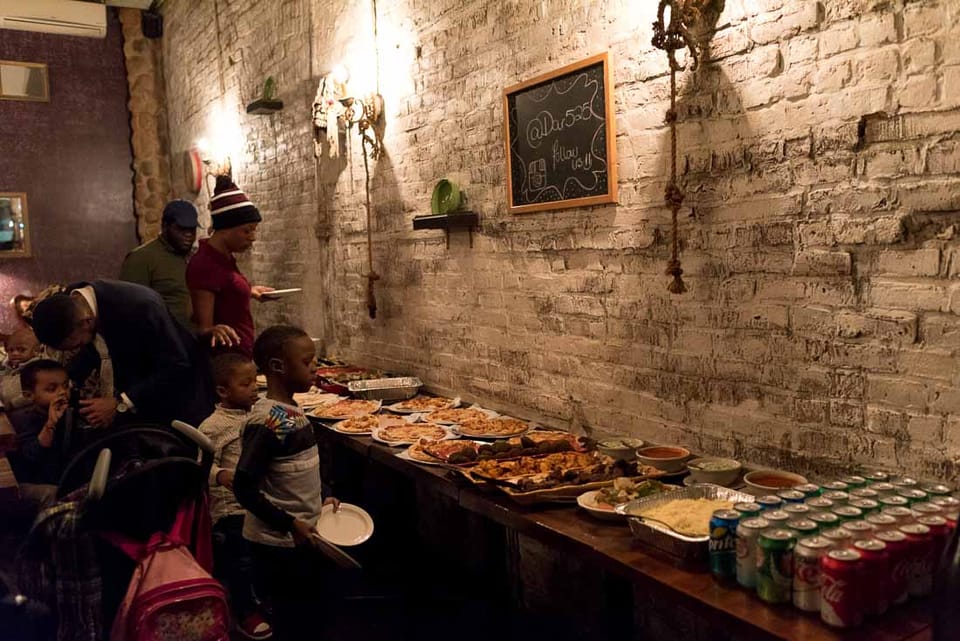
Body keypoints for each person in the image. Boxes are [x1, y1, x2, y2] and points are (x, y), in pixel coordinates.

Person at [234, 325, 338, 641]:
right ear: (278, 367)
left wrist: (324, 494)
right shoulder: (270, 421)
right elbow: (244, 486)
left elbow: (298, 469)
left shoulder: (290, 411)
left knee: (309, 613)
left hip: (301, 536)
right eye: (307, 362)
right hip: (276, 544)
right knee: (293, 620)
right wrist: (290, 523)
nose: (315, 367)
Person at [29, 280, 213, 428]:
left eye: (75, 344)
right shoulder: (73, 300)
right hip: (142, 399)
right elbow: (92, 348)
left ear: (86, 322)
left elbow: (177, 365)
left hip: (182, 399)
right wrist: (64, 383)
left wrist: (119, 403)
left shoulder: (141, 306)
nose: (76, 350)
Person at [198, 353, 272, 640]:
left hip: (258, 503)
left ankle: (261, 599)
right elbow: (199, 464)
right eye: (246, 383)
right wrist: (219, 474)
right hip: (231, 509)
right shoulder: (213, 426)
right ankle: (243, 612)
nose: (255, 387)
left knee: (260, 558)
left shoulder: (259, 415)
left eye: (255, 380)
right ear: (222, 391)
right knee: (240, 562)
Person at [186, 176, 274, 358]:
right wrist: (213, 330)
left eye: (254, 230)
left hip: (240, 354)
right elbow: (203, 328)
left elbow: (224, 290)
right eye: (247, 230)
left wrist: (249, 290)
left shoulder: (225, 258)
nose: (253, 237)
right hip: (226, 361)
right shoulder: (205, 264)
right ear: (225, 228)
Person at [119, 200, 200, 329]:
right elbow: (129, 309)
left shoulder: (196, 257)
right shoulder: (142, 258)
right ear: (165, 226)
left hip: (195, 341)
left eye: (192, 229)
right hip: (163, 342)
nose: (188, 235)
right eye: (181, 229)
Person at [7, 360, 71, 507]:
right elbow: (30, 457)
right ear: (29, 395)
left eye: (66, 385)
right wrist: (50, 425)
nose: (62, 392)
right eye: (52, 389)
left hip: (58, 477)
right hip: (30, 482)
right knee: (52, 494)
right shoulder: (23, 419)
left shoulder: (69, 412)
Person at [0, 327, 43, 410]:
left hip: (24, 410)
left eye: (21, 350)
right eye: (11, 350)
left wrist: (13, 404)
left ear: (36, 351)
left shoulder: (36, 369)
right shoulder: (6, 367)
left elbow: (35, 393)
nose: (15, 353)